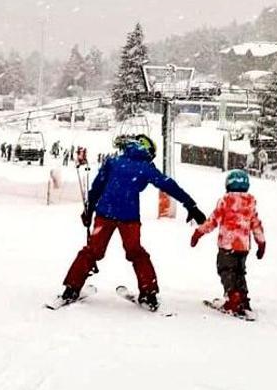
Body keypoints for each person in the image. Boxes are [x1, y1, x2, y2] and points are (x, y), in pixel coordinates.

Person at [60, 134, 206, 310]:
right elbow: (169, 185)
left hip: (105, 213)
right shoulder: (145, 167)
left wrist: (88, 210)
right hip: (129, 216)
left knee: (92, 251)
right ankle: (149, 293)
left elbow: (97, 187)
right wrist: (191, 205)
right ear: (148, 151)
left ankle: (71, 288)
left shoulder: (112, 162)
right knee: (136, 253)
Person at [190, 169, 266, 317]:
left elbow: (212, 221)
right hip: (243, 247)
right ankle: (243, 298)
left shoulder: (225, 201)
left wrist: (198, 233)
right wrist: (261, 243)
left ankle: (233, 299)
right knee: (239, 272)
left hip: (227, 245)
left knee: (226, 270)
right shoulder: (250, 204)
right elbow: (256, 225)